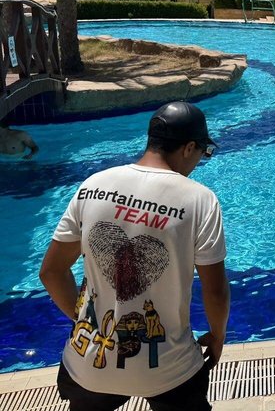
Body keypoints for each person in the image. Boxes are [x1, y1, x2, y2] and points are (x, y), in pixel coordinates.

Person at [39, 101, 229, 411]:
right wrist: (218, 336)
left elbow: (51, 272)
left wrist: (85, 321)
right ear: (188, 148)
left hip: (89, 362)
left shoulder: (93, 185)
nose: (199, 161)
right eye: (203, 152)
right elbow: (215, 290)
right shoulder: (200, 201)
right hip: (168, 368)